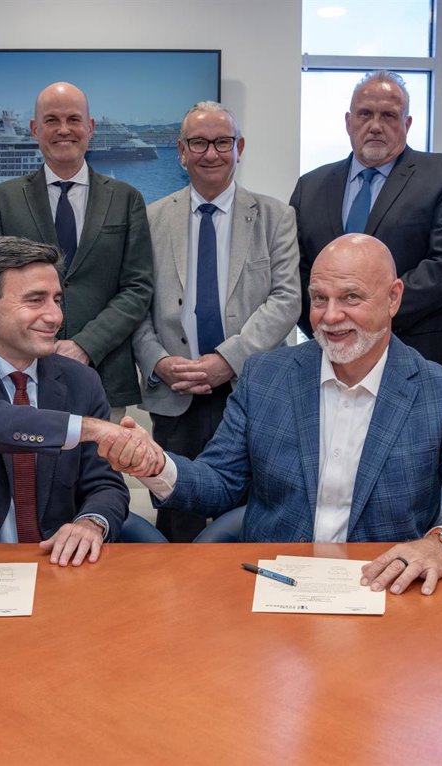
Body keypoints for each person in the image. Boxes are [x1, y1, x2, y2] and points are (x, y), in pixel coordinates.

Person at [105, 234, 442, 595]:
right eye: (318, 299)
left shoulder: (441, 393)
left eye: (351, 297)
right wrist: (156, 465)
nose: (330, 317)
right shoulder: (265, 377)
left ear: (393, 298)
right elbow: (218, 483)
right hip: (275, 596)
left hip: (386, 598)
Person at [0, 236, 152, 566]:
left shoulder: (82, 381)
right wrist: (88, 429)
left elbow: (105, 485)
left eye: (56, 300)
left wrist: (91, 524)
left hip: (61, 565)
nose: (54, 316)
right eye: (35, 300)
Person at [133, 101, 300, 541]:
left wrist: (228, 360)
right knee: (176, 513)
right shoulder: (151, 219)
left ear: (239, 148)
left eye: (222, 142)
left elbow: (287, 300)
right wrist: (157, 362)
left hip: (251, 387)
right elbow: (136, 305)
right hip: (176, 393)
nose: (211, 153)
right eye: (199, 143)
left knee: (251, 516)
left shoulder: (275, 217)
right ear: (181, 152)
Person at [0, 81, 153, 420]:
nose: (64, 130)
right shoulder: (3, 199)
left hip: (104, 373)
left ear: (90, 127)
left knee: (101, 457)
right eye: (52, 120)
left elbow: (138, 287)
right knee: (24, 456)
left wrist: (86, 344)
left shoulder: (126, 199)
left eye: (73, 119)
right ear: (34, 129)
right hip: (21, 376)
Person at [289, 71, 442, 369]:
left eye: (388, 115)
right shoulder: (310, 187)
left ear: (406, 124)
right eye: (365, 114)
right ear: (349, 122)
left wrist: (368, 316)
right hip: (329, 353)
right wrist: (332, 326)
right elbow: (296, 273)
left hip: (415, 353)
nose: (375, 126)